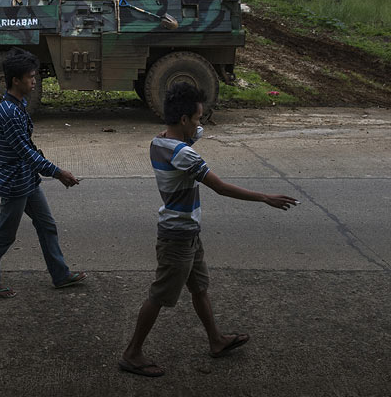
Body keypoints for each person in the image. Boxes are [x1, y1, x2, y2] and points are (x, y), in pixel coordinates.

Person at [119, 82, 297, 377]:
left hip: (188, 232)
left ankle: (216, 340)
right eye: (198, 118)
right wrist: (265, 197)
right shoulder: (184, 155)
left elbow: (191, 135)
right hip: (177, 236)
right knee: (159, 296)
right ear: (184, 119)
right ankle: (131, 353)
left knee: (199, 288)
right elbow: (220, 187)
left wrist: (194, 126)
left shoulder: (159, 141)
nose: (201, 124)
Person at [0, 48, 87, 298]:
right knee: (5, 235)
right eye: (30, 77)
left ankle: (60, 275)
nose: (34, 80)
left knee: (47, 225)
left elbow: (18, 150)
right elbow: (26, 153)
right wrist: (59, 173)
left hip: (27, 180)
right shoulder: (10, 113)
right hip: (17, 184)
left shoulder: (18, 106)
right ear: (15, 80)